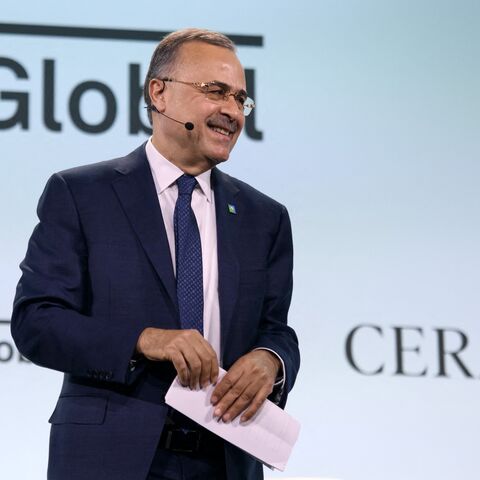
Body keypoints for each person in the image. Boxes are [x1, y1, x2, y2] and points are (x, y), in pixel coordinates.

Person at [11, 28, 300, 480]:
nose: (231, 111)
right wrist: (146, 340)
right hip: (109, 459)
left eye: (240, 99)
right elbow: (37, 321)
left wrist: (272, 359)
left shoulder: (265, 218)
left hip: (224, 460)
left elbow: (275, 329)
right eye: (215, 91)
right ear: (159, 94)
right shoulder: (82, 193)